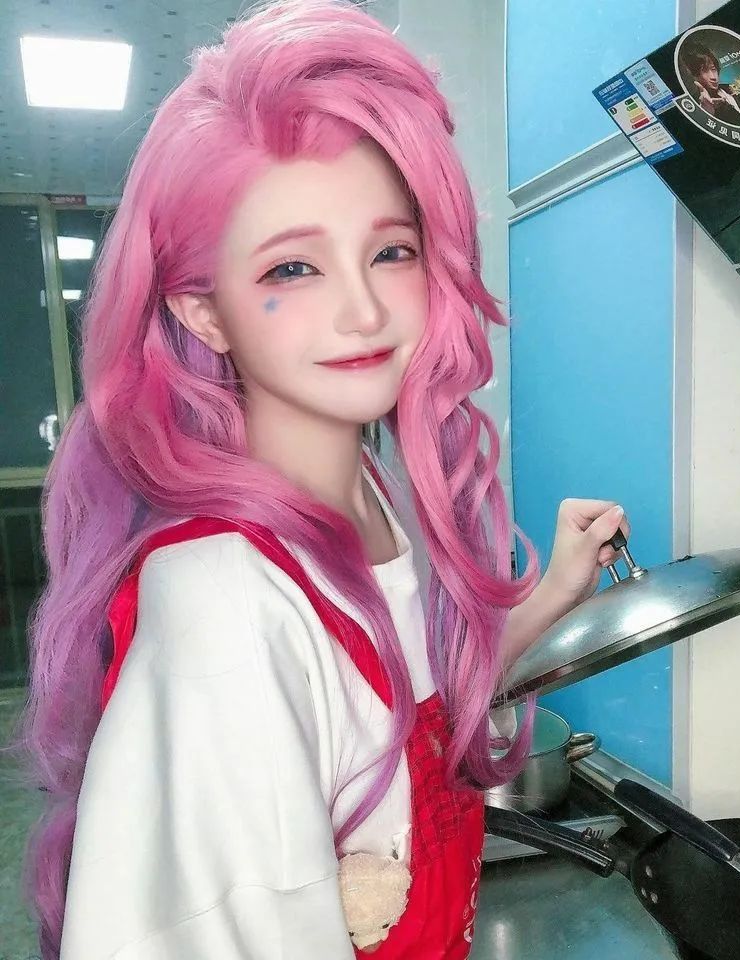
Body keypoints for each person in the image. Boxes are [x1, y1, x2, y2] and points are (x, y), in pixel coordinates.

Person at [7, 1, 630, 957]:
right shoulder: (222, 592)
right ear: (204, 311)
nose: (364, 310)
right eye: (293, 268)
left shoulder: (372, 495)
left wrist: (554, 593)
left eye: (391, 251)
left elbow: (405, 714)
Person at [680, 39, 740, 126]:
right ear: (694, 75)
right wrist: (707, 114)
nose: (713, 77)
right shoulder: (696, 104)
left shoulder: (730, 89)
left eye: (713, 69)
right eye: (704, 71)